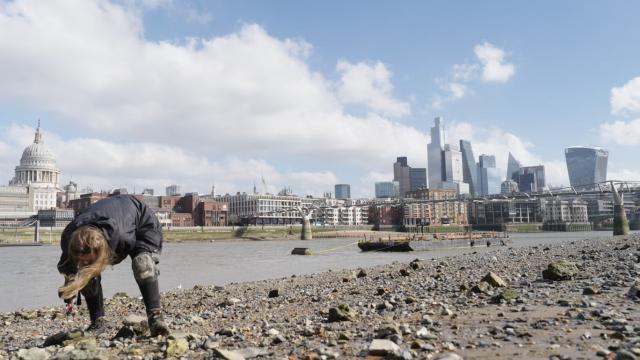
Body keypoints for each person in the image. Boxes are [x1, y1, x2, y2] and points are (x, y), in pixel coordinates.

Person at [57, 194, 169, 336]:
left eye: (88, 259)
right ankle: (98, 321)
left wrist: (91, 269)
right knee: (86, 272)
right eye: (80, 259)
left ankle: (155, 317)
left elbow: (136, 258)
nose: (84, 262)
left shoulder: (121, 238)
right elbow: (68, 267)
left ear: (100, 251)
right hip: (110, 215)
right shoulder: (69, 238)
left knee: (142, 264)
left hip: (140, 220)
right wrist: (70, 285)